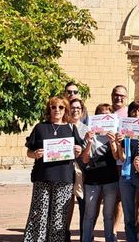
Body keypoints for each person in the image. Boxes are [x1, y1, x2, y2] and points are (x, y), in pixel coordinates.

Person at [23, 97, 84, 242]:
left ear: (65, 110)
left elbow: (78, 149)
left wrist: (78, 150)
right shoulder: (40, 127)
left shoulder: (71, 128)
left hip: (64, 179)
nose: (57, 110)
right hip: (42, 177)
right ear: (49, 109)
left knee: (58, 218)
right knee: (39, 215)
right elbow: (29, 152)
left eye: (61, 107)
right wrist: (35, 154)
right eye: (53, 107)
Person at [81, 103, 123, 242]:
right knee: (89, 214)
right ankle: (86, 239)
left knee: (109, 214)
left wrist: (113, 143)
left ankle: (110, 239)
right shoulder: (90, 134)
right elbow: (85, 159)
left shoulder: (115, 134)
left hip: (110, 179)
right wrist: (88, 142)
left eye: (107, 114)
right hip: (92, 179)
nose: (104, 117)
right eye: (101, 114)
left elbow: (117, 157)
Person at [120, 101, 139, 242]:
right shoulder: (124, 130)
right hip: (127, 176)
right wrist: (117, 143)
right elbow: (121, 156)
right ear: (129, 113)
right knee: (129, 215)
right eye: (134, 111)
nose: (137, 114)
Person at [66, 98, 89, 242]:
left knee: (83, 205)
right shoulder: (62, 127)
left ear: (82, 111)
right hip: (65, 170)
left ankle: (84, 237)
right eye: (72, 108)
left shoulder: (87, 129)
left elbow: (91, 151)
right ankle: (63, 234)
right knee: (65, 204)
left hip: (82, 170)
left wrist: (83, 148)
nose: (75, 110)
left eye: (78, 108)